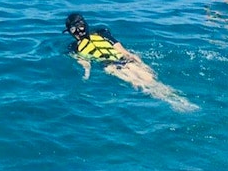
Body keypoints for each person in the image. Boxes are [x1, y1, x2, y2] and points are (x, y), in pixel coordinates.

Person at [63, 13, 197, 112]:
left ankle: (179, 100)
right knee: (140, 84)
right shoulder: (73, 47)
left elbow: (122, 50)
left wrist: (140, 62)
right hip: (109, 66)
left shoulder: (101, 33)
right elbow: (84, 62)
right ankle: (173, 102)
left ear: (84, 24)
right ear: (69, 32)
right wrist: (86, 74)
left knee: (150, 80)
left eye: (79, 27)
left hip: (123, 61)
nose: (78, 32)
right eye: (73, 30)